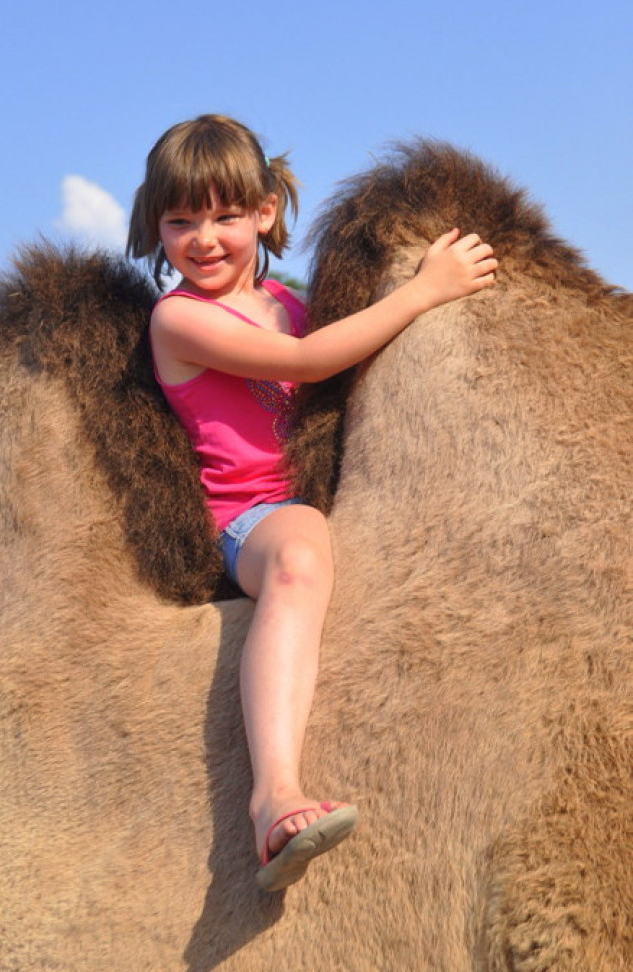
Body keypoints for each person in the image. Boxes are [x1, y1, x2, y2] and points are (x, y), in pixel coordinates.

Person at [127, 114, 497, 891]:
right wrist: (428, 290)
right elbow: (307, 360)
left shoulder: (288, 302)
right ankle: (274, 797)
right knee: (298, 556)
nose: (203, 237)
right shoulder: (179, 318)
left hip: (324, 495)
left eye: (225, 215)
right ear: (154, 226)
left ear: (264, 212)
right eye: (181, 220)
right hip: (247, 518)